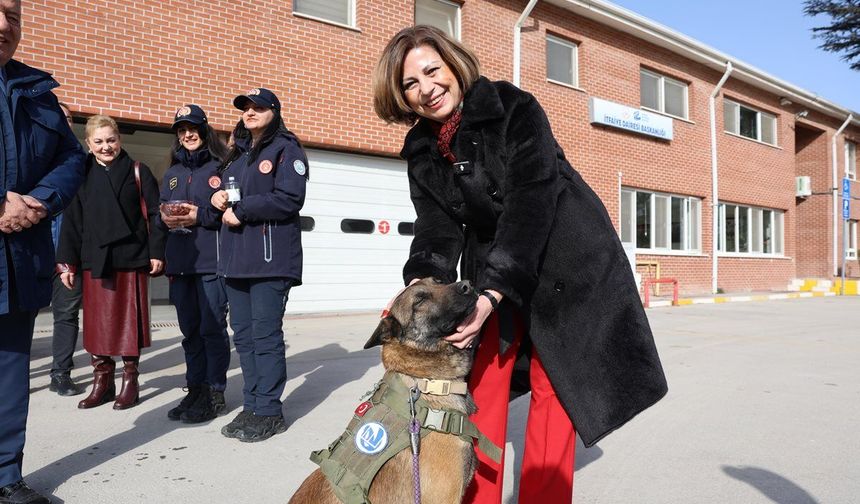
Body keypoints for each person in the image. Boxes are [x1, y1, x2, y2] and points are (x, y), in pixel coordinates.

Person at [372, 26, 668, 504]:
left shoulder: (513, 108)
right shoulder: (422, 151)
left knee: (557, 392)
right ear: (400, 94)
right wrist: (420, 282)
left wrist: (493, 294)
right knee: (483, 385)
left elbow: (530, 202)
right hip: (495, 263)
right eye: (410, 83)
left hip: (564, 261)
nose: (426, 89)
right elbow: (436, 226)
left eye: (432, 71)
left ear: (453, 65)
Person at [0, 0, 86, 501]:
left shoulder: (38, 91)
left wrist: (39, 200)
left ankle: (7, 477)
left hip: (21, 258)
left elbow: (71, 159)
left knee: (11, 372)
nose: (4, 25)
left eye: (13, 15)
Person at [209, 87, 307, 443]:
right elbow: (226, 198)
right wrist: (216, 197)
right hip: (237, 262)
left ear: (273, 112)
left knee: (265, 338)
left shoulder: (286, 149)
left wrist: (243, 210)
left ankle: (269, 411)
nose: (250, 112)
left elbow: (289, 198)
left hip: (271, 262)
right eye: (245, 108)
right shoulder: (235, 157)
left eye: (258, 107)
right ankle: (251, 406)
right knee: (246, 339)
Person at [56, 114, 166, 411]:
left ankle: (130, 380)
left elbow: (155, 216)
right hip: (95, 258)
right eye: (99, 142)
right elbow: (72, 222)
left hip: (130, 257)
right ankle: (102, 381)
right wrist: (67, 262)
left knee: (129, 323)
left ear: (120, 140)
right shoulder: (81, 175)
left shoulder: (138, 171)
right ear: (89, 145)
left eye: (111, 140)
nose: (107, 147)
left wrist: (157, 252)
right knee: (97, 325)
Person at [160, 104, 230, 424]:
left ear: (204, 130)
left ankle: (215, 392)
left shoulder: (220, 167)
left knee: (211, 330)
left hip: (210, 263)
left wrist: (198, 215)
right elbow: (162, 213)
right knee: (190, 332)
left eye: (193, 128)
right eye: (181, 129)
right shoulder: (172, 173)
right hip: (181, 262)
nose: (187, 134)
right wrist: (165, 217)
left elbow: (229, 215)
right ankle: (195, 389)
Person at [47, 102, 84, 397]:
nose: (62, 121)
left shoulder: (79, 161)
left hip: (68, 255)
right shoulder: (32, 156)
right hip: (28, 251)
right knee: (16, 317)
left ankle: (60, 374)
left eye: (67, 117)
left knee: (67, 314)